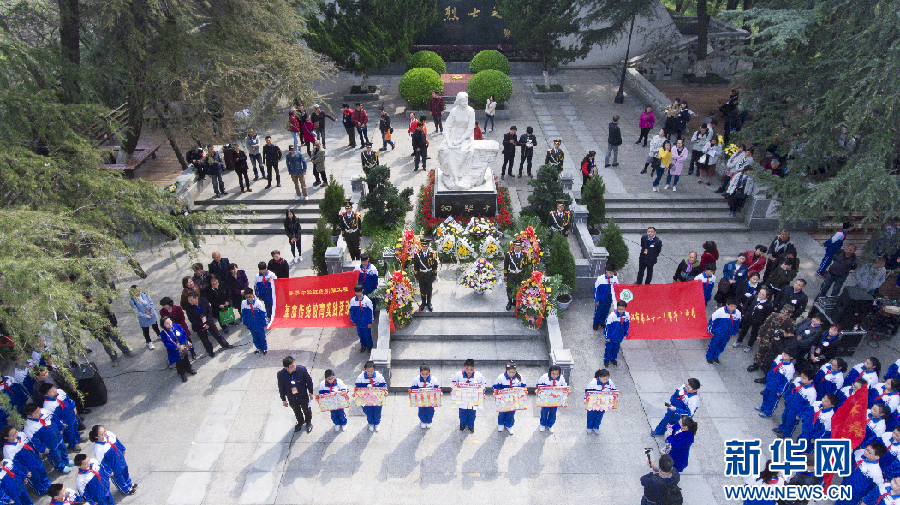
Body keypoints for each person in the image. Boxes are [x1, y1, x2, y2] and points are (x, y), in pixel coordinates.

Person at [83, 295, 135, 367]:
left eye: (93, 300)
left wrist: (114, 324)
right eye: (89, 301)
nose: (92, 302)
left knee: (118, 339)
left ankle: (126, 351)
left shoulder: (101, 306)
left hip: (109, 327)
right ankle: (114, 359)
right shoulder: (84, 312)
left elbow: (110, 313)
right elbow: (83, 324)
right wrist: (92, 327)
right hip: (99, 332)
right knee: (107, 346)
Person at [2, 425, 51, 495]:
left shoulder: (21, 434)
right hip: (29, 468)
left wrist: (37, 452)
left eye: (16, 432)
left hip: (36, 460)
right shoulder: (8, 450)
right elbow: (15, 464)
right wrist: (25, 472)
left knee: (43, 472)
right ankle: (41, 490)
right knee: (35, 480)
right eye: (13, 435)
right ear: (6, 437)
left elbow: (31, 444)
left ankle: (48, 484)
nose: (16, 434)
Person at [22, 403, 71, 473]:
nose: (39, 413)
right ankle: (60, 467)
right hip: (49, 445)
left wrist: (61, 427)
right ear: (29, 416)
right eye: (36, 413)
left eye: (38, 410)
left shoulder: (45, 412)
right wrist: (43, 449)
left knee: (63, 449)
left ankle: (66, 461)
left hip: (58, 437)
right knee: (56, 457)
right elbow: (35, 441)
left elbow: (55, 418)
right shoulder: (29, 428)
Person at [89, 425, 136, 495]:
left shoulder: (109, 434)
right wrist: (109, 471)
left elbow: (116, 441)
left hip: (120, 458)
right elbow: (102, 462)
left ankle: (129, 483)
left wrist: (122, 448)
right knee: (118, 477)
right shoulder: (98, 449)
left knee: (125, 471)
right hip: (113, 465)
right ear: (97, 437)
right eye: (102, 433)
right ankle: (125, 489)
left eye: (105, 430)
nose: (105, 433)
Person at [185, 293, 233, 357]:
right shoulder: (188, 307)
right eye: (189, 300)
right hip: (199, 326)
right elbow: (192, 319)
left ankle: (225, 345)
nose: (190, 302)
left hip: (209, 322)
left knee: (217, 334)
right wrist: (203, 325)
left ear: (196, 298)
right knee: (204, 340)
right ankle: (210, 351)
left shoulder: (203, 300)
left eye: (191, 300)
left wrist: (207, 323)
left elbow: (209, 311)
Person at [774, 368, 817, 438]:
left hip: (796, 412)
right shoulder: (797, 380)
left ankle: (786, 433)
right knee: (785, 416)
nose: (801, 379)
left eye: (804, 378)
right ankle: (782, 428)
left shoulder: (811, 393)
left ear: (810, 381)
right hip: (789, 405)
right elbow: (790, 388)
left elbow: (808, 407)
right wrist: (786, 397)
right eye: (801, 376)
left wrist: (800, 415)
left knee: (791, 423)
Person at [278, 356, 314, 433]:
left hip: (303, 395)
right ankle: (300, 422)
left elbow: (309, 381)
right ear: (286, 368)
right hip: (291, 398)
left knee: (307, 410)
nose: (294, 367)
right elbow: (281, 387)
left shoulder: (301, 369)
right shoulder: (280, 375)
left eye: (294, 364)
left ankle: (308, 422)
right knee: (296, 411)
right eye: (292, 366)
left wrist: (311, 392)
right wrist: (283, 399)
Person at [40, 382, 81, 449]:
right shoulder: (48, 405)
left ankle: (78, 438)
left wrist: (73, 407)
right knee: (69, 433)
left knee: (75, 426)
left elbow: (68, 399)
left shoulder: (60, 391)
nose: (54, 391)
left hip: (71, 414)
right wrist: (60, 424)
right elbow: (52, 417)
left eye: (54, 388)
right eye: (51, 391)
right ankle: (73, 445)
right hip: (65, 421)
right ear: (46, 394)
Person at [757, 349, 797, 417]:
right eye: (783, 353)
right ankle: (763, 407)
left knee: (772, 400)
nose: (783, 356)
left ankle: (768, 411)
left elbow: (786, 382)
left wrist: (780, 391)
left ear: (791, 357)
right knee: (766, 395)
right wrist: (769, 377)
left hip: (776, 387)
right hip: (771, 382)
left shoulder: (790, 369)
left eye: (786, 355)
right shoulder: (779, 358)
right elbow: (772, 368)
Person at [733, 287, 773, 352]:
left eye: (763, 295)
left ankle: (749, 345)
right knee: (743, 330)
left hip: (757, 322)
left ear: (767, 296)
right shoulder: (754, 297)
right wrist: (744, 313)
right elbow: (746, 305)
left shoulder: (768, 305)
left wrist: (762, 323)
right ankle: (739, 341)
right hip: (748, 318)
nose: (760, 295)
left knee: (754, 334)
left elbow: (767, 315)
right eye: (760, 293)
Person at [452, 359, 486, 433]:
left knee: (472, 412)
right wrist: (453, 392)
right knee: (462, 411)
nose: (469, 371)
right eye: (467, 369)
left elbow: (483, 385)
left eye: (471, 369)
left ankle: (471, 425)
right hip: (462, 398)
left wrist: (483, 393)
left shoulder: (478, 375)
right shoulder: (458, 375)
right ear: (464, 367)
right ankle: (462, 423)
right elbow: (453, 384)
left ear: (474, 368)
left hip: (473, 398)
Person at [493, 362, 526, 435]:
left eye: (513, 372)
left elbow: (523, 386)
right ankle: (500, 424)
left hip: (514, 400)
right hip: (503, 399)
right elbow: (496, 386)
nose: (511, 374)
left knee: (511, 413)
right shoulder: (501, 377)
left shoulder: (519, 377)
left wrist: (523, 392)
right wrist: (495, 393)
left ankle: (509, 425)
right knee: (502, 412)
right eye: (509, 372)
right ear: (506, 370)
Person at [705, 298, 740, 364]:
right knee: (713, 345)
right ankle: (709, 357)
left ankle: (716, 357)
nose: (733, 308)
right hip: (718, 333)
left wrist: (734, 333)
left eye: (735, 306)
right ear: (727, 304)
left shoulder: (737, 313)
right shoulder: (720, 312)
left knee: (722, 346)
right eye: (731, 306)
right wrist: (711, 331)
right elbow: (712, 321)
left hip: (727, 334)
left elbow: (737, 324)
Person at [160, 316, 195, 382]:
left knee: (185, 358)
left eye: (170, 322)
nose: (169, 324)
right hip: (174, 350)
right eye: (167, 323)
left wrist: (183, 344)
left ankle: (189, 369)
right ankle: (182, 373)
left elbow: (184, 334)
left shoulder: (177, 326)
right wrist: (177, 347)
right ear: (163, 325)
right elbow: (166, 344)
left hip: (183, 346)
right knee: (179, 362)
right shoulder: (163, 333)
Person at [355, 361, 387, 432]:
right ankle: (370, 423)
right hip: (366, 399)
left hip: (377, 398)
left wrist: (386, 391)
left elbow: (383, 385)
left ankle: (377, 423)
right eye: (368, 371)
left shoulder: (379, 376)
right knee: (368, 411)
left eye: (371, 371)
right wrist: (356, 393)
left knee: (377, 411)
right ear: (365, 370)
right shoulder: (360, 377)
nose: (370, 373)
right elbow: (357, 387)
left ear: (374, 369)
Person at [536, 365, 566, 433]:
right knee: (544, 411)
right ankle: (542, 424)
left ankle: (550, 424)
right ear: (550, 372)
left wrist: (567, 391)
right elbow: (538, 385)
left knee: (553, 412)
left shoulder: (561, 378)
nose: (555, 376)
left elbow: (564, 386)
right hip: (545, 399)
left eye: (557, 374)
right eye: (553, 374)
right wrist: (537, 390)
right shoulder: (544, 377)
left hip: (555, 399)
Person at [584, 369, 616, 434]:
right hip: (593, 403)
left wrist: (615, 398)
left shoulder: (610, 383)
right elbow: (587, 392)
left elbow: (614, 391)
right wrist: (585, 399)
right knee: (591, 415)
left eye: (607, 379)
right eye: (604, 379)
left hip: (603, 403)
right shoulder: (593, 383)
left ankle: (596, 427)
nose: (605, 381)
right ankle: (589, 427)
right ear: (599, 377)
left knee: (599, 415)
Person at [128, 286, 160, 350]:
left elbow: (151, 303)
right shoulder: (132, 301)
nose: (137, 293)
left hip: (151, 313)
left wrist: (151, 313)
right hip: (143, 317)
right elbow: (136, 311)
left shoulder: (145, 294)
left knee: (155, 325)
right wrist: (146, 316)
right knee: (146, 330)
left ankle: (159, 335)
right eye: (135, 292)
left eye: (138, 291)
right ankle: (149, 341)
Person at [410, 364, 440, 429]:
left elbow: (437, 387)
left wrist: (440, 392)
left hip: (430, 399)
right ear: (420, 373)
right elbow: (413, 388)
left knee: (430, 411)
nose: (425, 376)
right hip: (420, 399)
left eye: (426, 374)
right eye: (423, 374)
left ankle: (429, 421)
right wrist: (411, 394)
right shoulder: (416, 379)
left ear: (429, 373)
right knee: (421, 410)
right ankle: (423, 421)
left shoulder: (433, 379)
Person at [412, 239, 437, 312]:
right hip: (421, 275)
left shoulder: (433, 254)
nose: (424, 248)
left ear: (428, 246)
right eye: (423, 246)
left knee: (429, 289)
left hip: (429, 274)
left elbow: (435, 265)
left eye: (426, 246)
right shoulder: (417, 255)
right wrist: (416, 276)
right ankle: (423, 303)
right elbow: (416, 267)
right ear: (421, 246)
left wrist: (434, 275)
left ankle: (429, 303)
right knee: (422, 289)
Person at [241, 289, 268, 355]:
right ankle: (258, 348)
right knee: (255, 337)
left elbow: (263, 314)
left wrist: (265, 323)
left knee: (262, 337)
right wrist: (246, 324)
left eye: (250, 296)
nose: (248, 298)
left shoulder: (258, 303)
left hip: (259, 324)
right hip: (251, 324)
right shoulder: (244, 303)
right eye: (246, 297)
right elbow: (243, 315)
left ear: (252, 295)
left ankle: (264, 348)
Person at [349, 283, 374, 352]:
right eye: (356, 292)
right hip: (358, 322)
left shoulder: (367, 301)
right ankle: (363, 346)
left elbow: (370, 312)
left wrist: (370, 322)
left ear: (362, 291)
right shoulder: (353, 301)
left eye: (359, 292)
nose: (358, 294)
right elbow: (351, 311)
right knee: (361, 335)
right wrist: (353, 320)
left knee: (367, 335)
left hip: (366, 322)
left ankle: (369, 347)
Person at [592, 264, 619, 331]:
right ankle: (595, 323)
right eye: (610, 272)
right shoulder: (600, 279)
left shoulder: (614, 279)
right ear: (606, 271)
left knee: (606, 312)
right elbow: (596, 290)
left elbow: (618, 288)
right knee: (598, 312)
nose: (611, 274)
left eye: (613, 272)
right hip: (601, 300)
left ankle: (602, 322)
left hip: (609, 301)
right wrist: (597, 299)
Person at [604, 301, 630, 367]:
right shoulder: (612, 316)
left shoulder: (626, 315)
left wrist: (625, 333)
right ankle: (606, 359)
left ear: (625, 309)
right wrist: (607, 337)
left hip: (619, 337)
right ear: (617, 308)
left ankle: (613, 358)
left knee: (616, 349)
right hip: (611, 337)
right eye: (619, 309)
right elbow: (608, 327)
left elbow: (626, 325)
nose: (621, 311)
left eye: (622, 309)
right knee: (608, 348)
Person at [503, 240, 526, 311]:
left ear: (521, 247)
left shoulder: (524, 255)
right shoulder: (508, 254)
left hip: (520, 275)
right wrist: (505, 274)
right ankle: (509, 302)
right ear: (513, 246)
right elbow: (506, 265)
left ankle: (516, 302)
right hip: (511, 274)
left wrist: (525, 275)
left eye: (519, 247)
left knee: (519, 289)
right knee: (509, 288)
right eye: (516, 246)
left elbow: (525, 266)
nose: (517, 248)